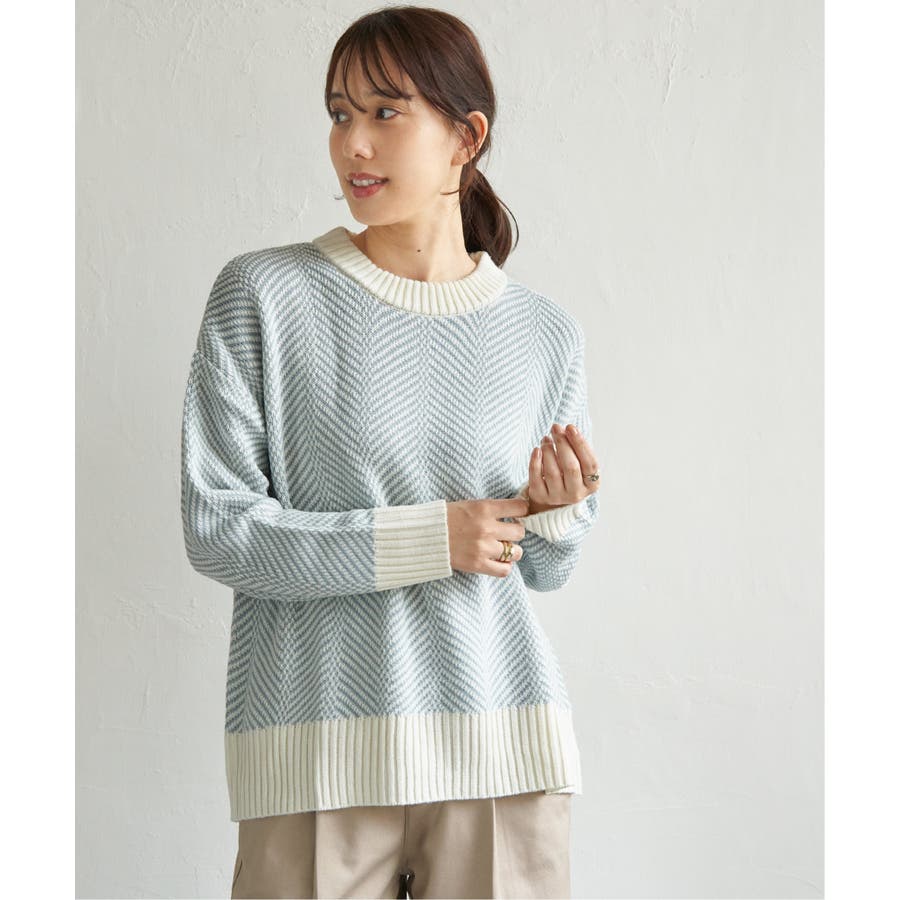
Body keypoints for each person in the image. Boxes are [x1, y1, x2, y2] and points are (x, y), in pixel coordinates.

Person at [179, 5, 603, 898]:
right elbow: (219, 529)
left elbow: (546, 571)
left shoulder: (542, 332)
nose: (353, 144)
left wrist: (555, 513)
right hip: (312, 753)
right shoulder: (265, 295)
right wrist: (432, 537)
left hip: (502, 749)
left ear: (465, 138)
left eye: (384, 112)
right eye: (339, 114)